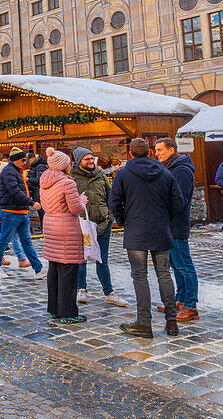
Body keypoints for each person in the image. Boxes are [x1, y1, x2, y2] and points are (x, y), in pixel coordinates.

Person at [110, 138, 185, 339]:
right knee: (164, 274)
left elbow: (114, 202)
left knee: (140, 276)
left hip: (136, 230)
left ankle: (144, 322)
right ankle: (172, 321)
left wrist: (124, 220)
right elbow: (179, 203)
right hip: (160, 229)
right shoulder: (164, 172)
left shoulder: (124, 174)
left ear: (131, 154)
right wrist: (164, 218)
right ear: (150, 152)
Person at [71, 147, 129, 308]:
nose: (91, 161)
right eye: (87, 159)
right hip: (82, 224)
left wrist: (110, 217)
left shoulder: (100, 175)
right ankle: (81, 289)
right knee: (81, 258)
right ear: (78, 161)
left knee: (102, 259)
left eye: (92, 158)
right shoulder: (71, 177)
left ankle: (109, 293)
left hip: (102, 222)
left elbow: (111, 196)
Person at [40, 147, 87, 323]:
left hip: (51, 226)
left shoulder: (44, 180)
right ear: (64, 165)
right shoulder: (68, 182)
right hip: (66, 229)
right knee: (68, 270)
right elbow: (75, 208)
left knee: (54, 270)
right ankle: (68, 313)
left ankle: (54, 309)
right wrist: (82, 201)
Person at [154, 138, 198, 321]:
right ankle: (180, 300)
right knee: (176, 265)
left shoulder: (181, 170)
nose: (156, 153)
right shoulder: (169, 167)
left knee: (184, 266)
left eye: (159, 150)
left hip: (176, 225)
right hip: (167, 224)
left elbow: (179, 200)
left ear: (171, 150)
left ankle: (191, 305)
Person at [0, 148, 45, 279]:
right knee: (3, 240)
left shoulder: (16, 171)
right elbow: (14, 191)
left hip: (21, 211)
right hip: (10, 212)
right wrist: (31, 202)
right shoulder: (9, 171)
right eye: (23, 160)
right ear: (15, 160)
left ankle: (38, 269)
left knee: (27, 241)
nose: (25, 163)